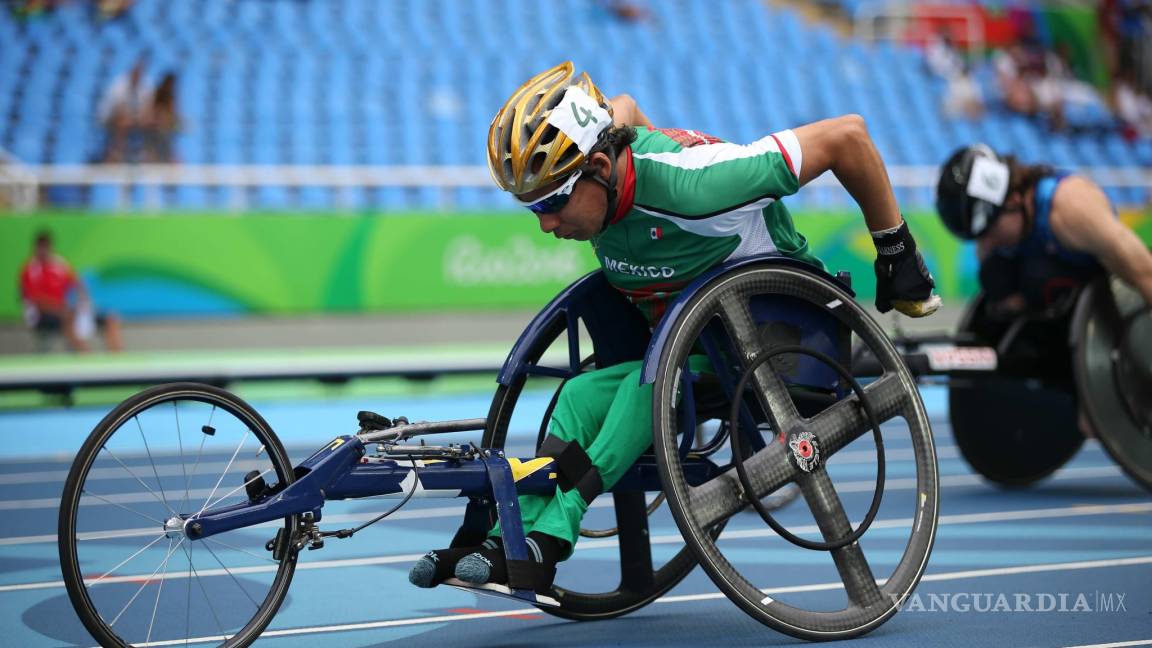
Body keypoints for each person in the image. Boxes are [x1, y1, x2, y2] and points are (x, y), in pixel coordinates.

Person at [408, 61, 941, 595]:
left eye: (552, 202)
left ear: (599, 166)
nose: (547, 224)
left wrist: (896, 251)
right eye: (533, 209)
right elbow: (627, 108)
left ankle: (556, 528)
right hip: (694, 349)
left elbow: (847, 136)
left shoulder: (698, 187)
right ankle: (505, 538)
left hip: (779, 343)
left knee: (651, 386)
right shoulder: (603, 168)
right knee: (579, 396)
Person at [936, 144, 1152, 318]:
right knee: (993, 274)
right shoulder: (1002, 227)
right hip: (1056, 307)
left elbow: (1145, 272)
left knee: (1037, 275)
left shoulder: (1070, 206)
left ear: (1013, 199)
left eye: (990, 231)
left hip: (1105, 296)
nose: (986, 244)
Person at [19, 230, 123, 352]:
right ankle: (84, 356)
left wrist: (84, 302)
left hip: (67, 309)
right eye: (41, 247)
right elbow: (35, 300)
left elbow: (77, 285)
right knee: (68, 317)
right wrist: (61, 309)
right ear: (35, 248)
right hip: (44, 314)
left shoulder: (59, 265)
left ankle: (117, 358)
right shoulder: (31, 269)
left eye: (46, 247)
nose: (43, 250)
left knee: (110, 317)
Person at [98, 60, 152, 163]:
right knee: (123, 121)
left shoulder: (145, 86)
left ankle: (147, 157)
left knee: (150, 122)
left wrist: (140, 118)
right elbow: (117, 109)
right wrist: (133, 118)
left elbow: (147, 108)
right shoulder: (119, 85)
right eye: (136, 73)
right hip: (109, 117)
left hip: (133, 118)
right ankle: (116, 154)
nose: (138, 76)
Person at [141, 72, 181, 163]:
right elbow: (148, 113)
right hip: (152, 129)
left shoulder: (171, 98)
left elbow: (173, 116)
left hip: (164, 130)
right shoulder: (155, 95)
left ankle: (168, 159)